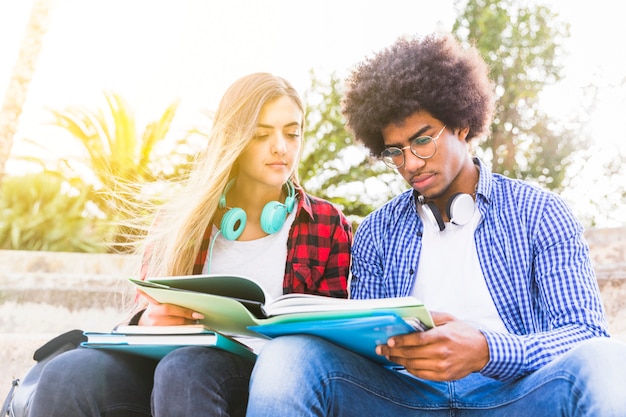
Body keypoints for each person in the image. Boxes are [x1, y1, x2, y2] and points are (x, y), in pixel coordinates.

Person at [246, 33, 626, 416]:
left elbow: (585, 333)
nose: (410, 164)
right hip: (405, 398)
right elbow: (363, 349)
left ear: (461, 125)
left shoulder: (540, 213)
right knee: (287, 356)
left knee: (603, 359)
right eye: (395, 152)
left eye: (422, 141)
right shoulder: (376, 233)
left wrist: (486, 351)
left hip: (516, 396)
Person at [29, 72, 352, 417]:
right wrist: (146, 322)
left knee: (185, 370)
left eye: (292, 133)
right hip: (170, 368)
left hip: (263, 379)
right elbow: (146, 312)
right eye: (261, 134)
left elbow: (332, 344)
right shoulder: (181, 219)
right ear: (232, 139)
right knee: (67, 374)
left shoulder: (326, 223)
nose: (281, 147)